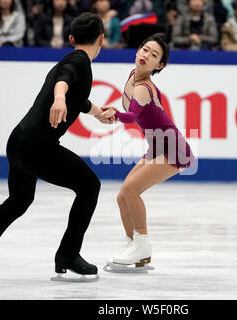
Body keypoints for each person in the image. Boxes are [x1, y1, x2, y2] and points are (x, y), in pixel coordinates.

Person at [0, 13, 106, 282]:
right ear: (102, 40)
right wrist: (59, 98)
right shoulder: (79, 60)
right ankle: (68, 255)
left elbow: (76, 95)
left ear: (71, 39)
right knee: (89, 186)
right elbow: (66, 80)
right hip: (38, 147)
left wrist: (97, 112)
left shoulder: (71, 58)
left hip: (18, 142)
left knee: (18, 201)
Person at [95, 33, 195, 272]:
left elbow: (131, 116)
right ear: (138, 51)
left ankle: (142, 245)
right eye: (145, 49)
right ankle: (136, 249)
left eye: (154, 55)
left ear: (159, 65)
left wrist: (116, 116)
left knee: (131, 190)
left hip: (173, 148)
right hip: (158, 146)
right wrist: (115, 115)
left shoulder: (143, 87)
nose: (146, 55)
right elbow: (132, 113)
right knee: (122, 197)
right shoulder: (132, 76)